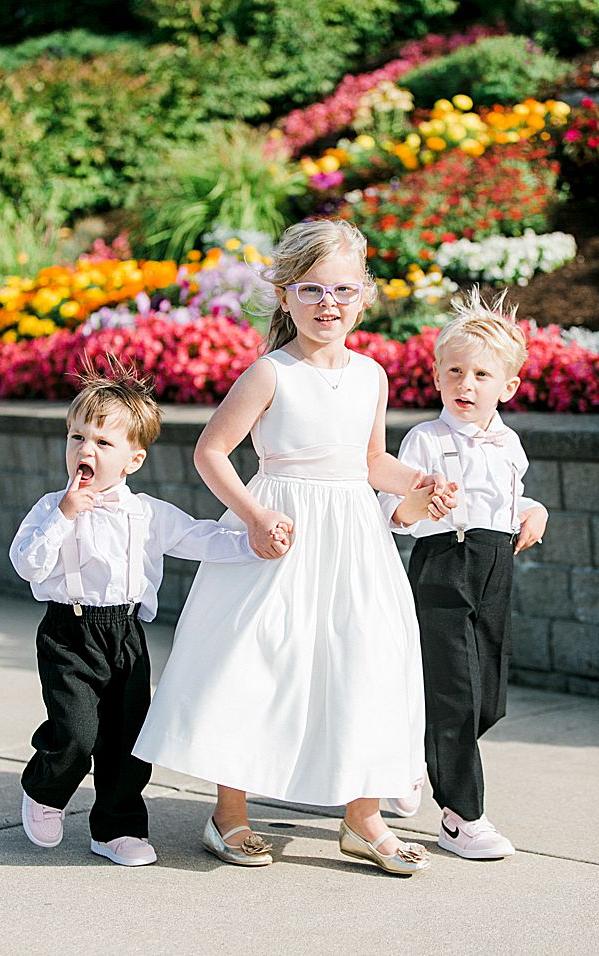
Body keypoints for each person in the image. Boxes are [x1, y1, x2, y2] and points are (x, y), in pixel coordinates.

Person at [133, 218, 451, 875]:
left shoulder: (371, 376)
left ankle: (363, 820)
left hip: (355, 540)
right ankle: (229, 815)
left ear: (364, 296)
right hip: (279, 534)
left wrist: (417, 481)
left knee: (366, 662)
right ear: (284, 296)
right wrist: (252, 515)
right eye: (311, 290)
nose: (327, 304)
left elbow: (369, 462)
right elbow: (211, 451)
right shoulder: (270, 373)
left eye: (342, 290)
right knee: (254, 661)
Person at [10, 362, 275, 867]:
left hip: (125, 634)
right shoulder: (51, 507)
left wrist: (254, 540)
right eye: (77, 437)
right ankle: (45, 790)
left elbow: (201, 537)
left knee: (128, 742)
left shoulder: (147, 513)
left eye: (102, 443)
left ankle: (116, 828)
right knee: (76, 732)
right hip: (69, 632)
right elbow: (27, 564)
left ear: (134, 459)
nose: (85, 450)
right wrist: (65, 516)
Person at [377, 287, 546, 860]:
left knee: (487, 698)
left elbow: (513, 499)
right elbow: (393, 513)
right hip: (444, 565)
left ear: (508, 387)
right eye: (455, 371)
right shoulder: (424, 439)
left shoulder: (510, 445)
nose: (466, 385)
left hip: (496, 568)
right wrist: (417, 506)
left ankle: (416, 758)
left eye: (481, 375)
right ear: (437, 376)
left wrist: (533, 511)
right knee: (455, 690)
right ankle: (461, 816)